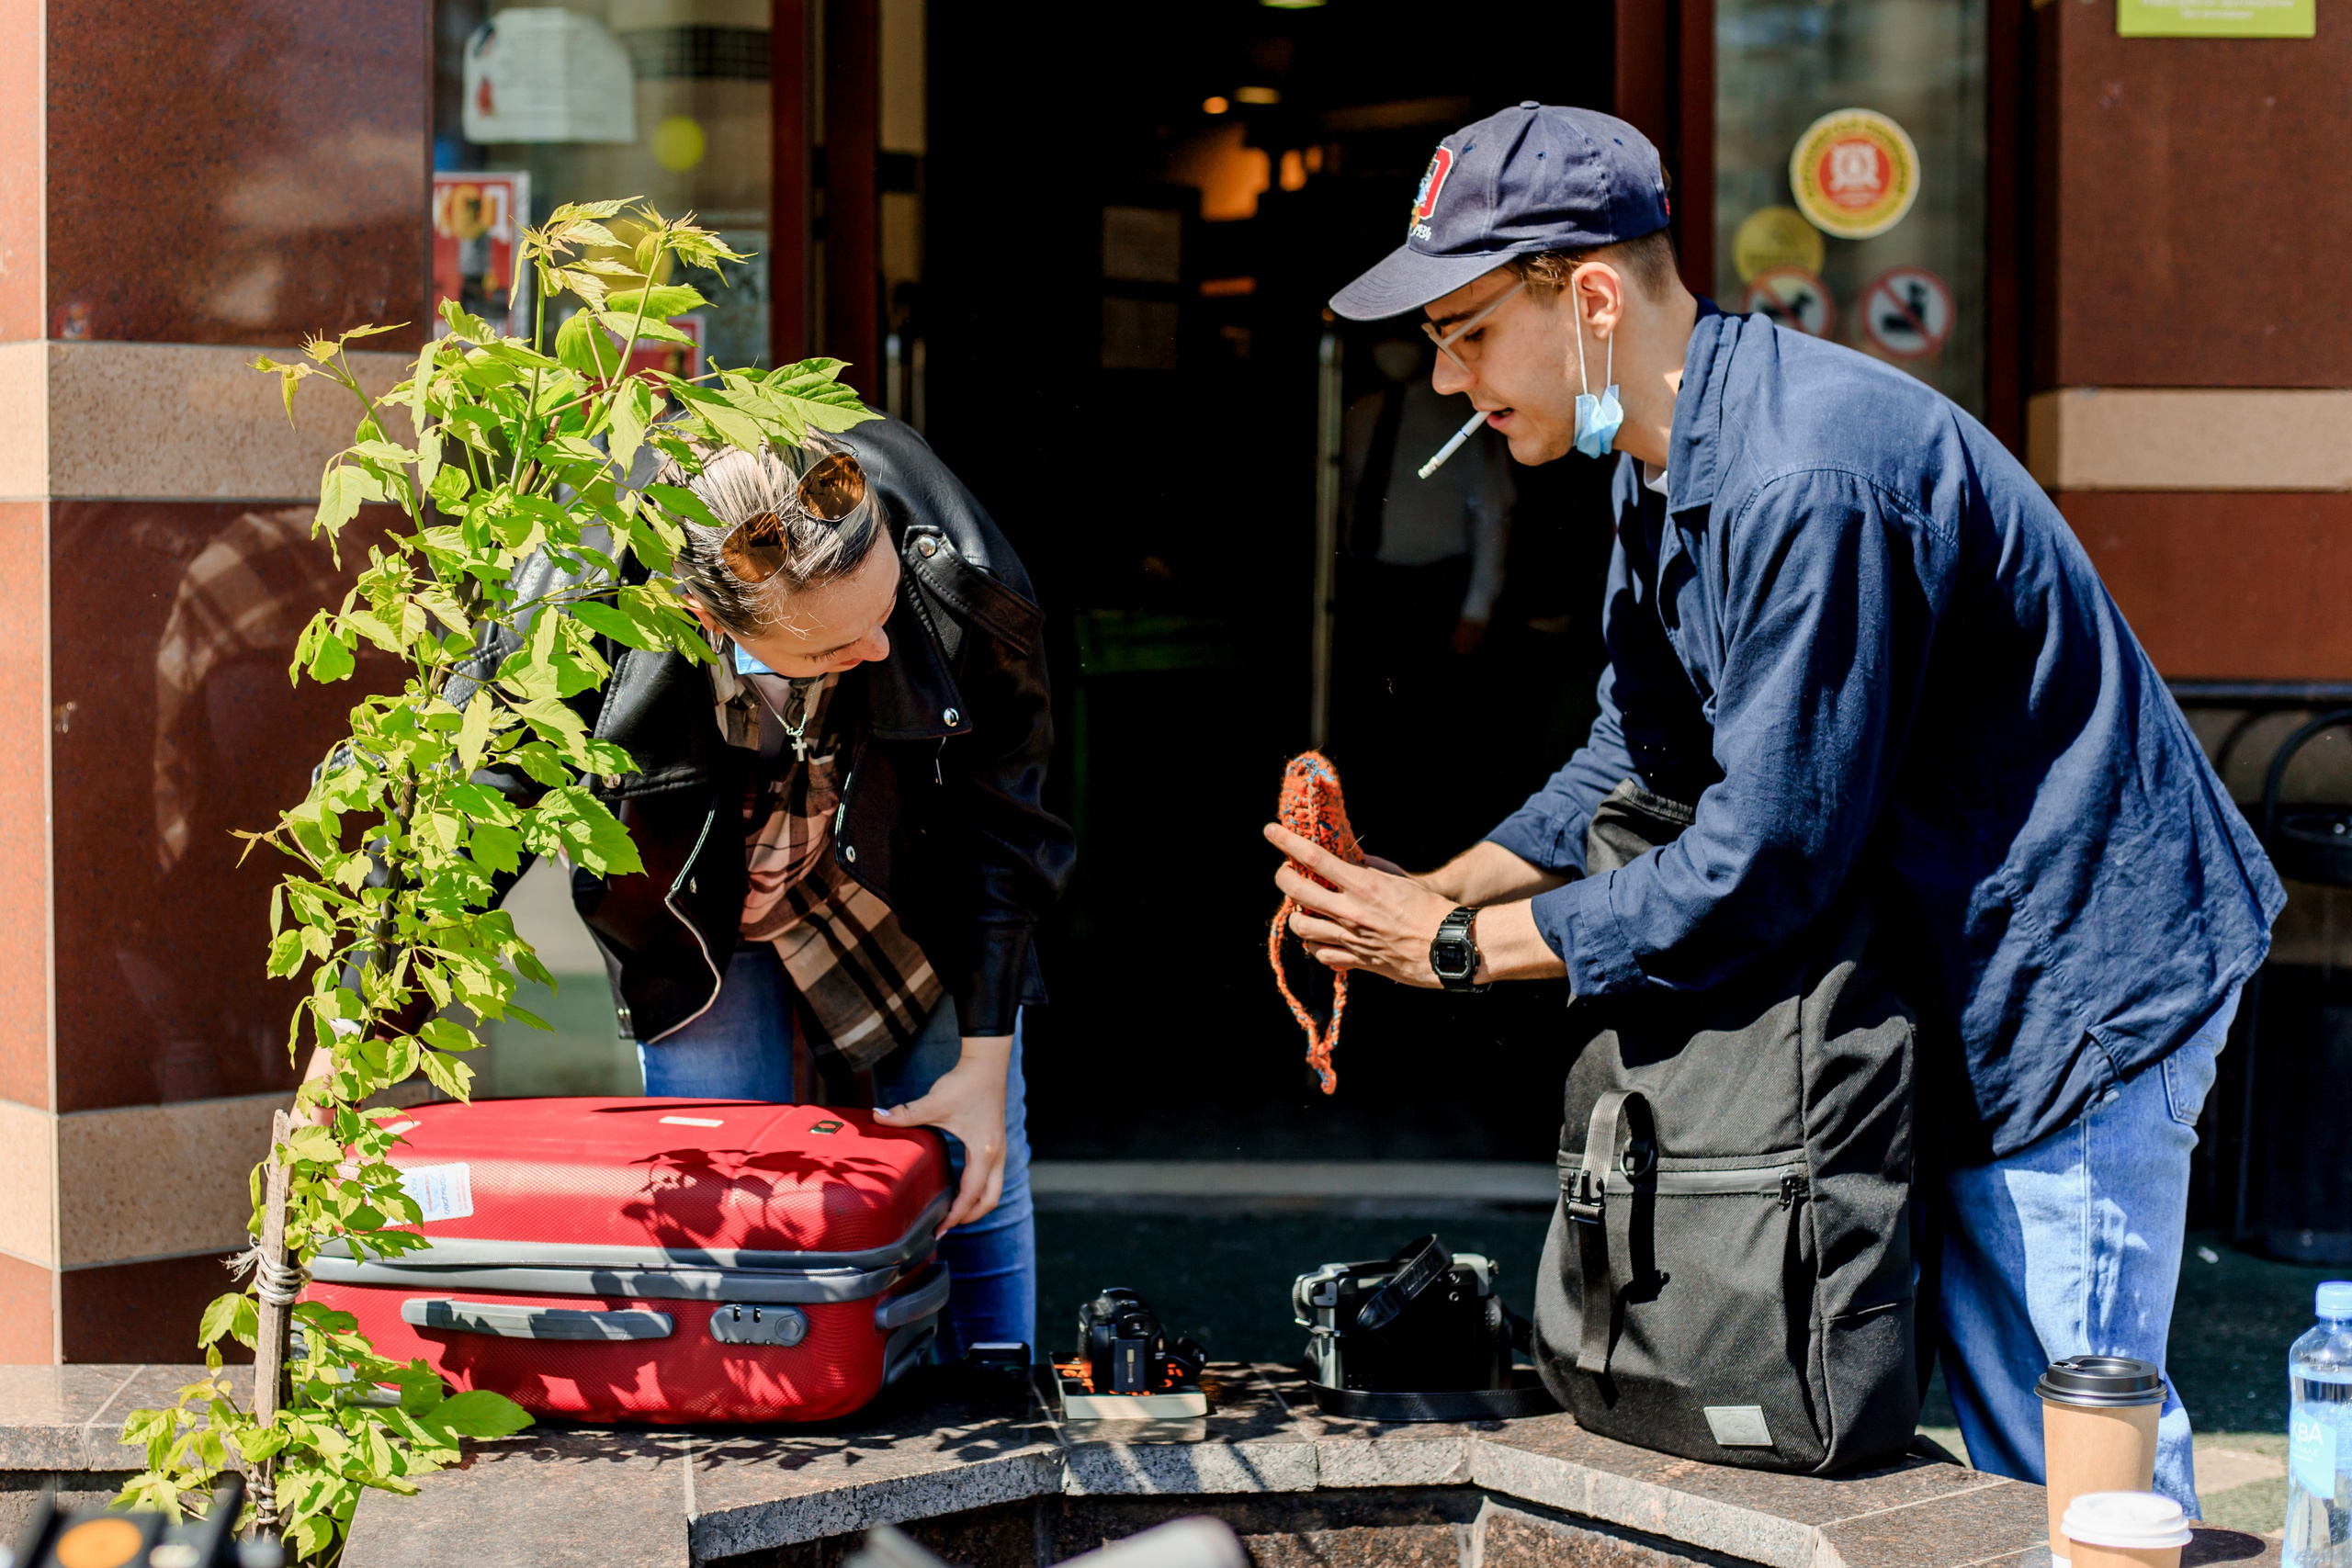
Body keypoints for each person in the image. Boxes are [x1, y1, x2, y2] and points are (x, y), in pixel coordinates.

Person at [1268, 102, 2282, 1512]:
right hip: (1948, 954)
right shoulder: (1656, 456)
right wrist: (1437, 887)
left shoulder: (1811, 476)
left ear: (1594, 300)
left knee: (2065, 1446)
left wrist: (1452, 950)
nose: (1446, 379)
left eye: (1469, 331)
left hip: (2074, 981)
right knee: (1988, 1438)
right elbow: (1635, 756)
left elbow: (1765, 856)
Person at [308, 416, 1073, 1360]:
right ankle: (756, 1419)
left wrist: (987, 1060)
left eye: (885, 612)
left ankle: (999, 1393)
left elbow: (1006, 815)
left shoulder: (957, 564)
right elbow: (473, 818)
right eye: (835, 646)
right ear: (706, 617)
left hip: (900, 869)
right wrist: (358, 1030)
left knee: (971, 1165)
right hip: (694, 899)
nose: (881, 648)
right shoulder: (579, 598)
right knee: (724, 1207)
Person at [1334, 338, 1515, 863]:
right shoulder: (1360, 412)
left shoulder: (1458, 417)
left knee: (1429, 733)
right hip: (1369, 586)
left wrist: (1477, 607)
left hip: (1434, 592)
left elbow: (1493, 510)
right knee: (1369, 727)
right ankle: (1370, 843)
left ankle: (1427, 854)